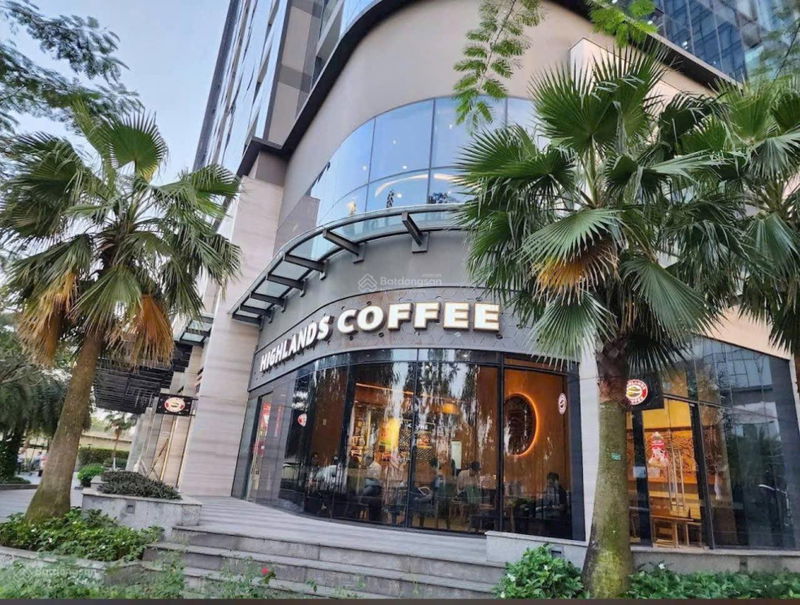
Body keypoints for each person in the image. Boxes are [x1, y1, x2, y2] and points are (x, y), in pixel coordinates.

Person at [542, 472, 569, 537]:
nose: (549, 485)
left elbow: (562, 507)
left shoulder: (561, 491)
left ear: (556, 482)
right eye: (548, 483)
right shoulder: (548, 491)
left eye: (551, 483)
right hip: (549, 517)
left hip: (558, 519)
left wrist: (552, 507)